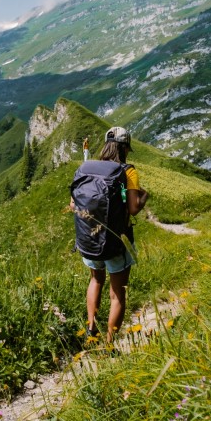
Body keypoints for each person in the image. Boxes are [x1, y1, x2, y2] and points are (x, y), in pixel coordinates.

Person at [77, 126, 148, 343]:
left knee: (95, 280)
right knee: (117, 292)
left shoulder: (86, 168)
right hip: (117, 240)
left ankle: (91, 330)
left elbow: (74, 203)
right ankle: (109, 344)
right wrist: (145, 196)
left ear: (106, 145)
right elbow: (134, 208)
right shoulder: (128, 171)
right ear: (125, 147)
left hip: (89, 239)